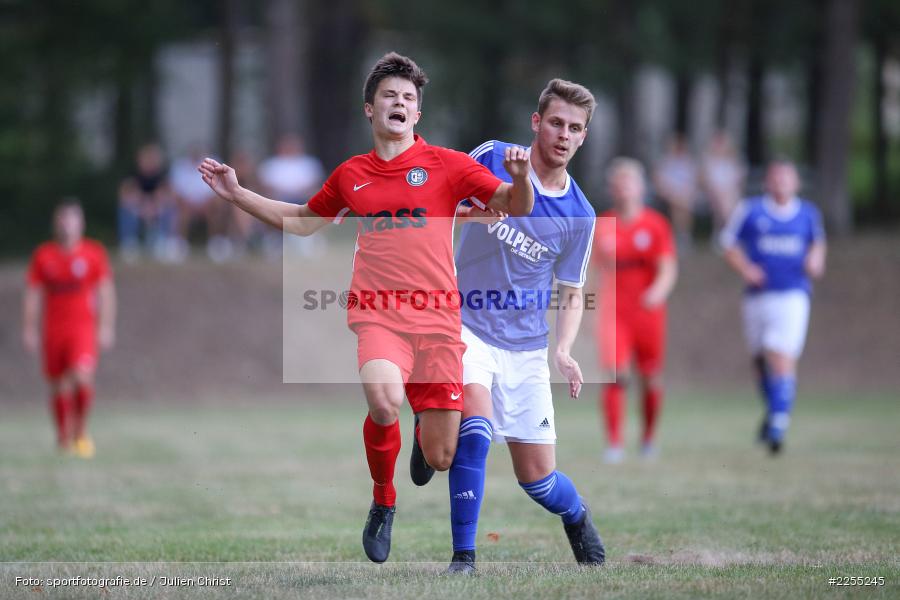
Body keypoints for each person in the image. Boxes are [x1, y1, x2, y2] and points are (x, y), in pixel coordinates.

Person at [198, 52, 534, 563]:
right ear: (369, 110)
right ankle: (384, 500)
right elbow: (302, 220)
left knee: (443, 457)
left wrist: (522, 178)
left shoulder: (448, 165)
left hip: (440, 320)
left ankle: (424, 431)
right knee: (382, 400)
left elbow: (515, 204)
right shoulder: (352, 175)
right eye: (389, 96)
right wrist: (237, 193)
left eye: (408, 98)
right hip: (378, 312)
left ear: (417, 114)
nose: (399, 103)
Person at [429, 79, 604, 574]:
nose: (563, 135)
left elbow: (571, 290)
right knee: (477, 432)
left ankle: (577, 516)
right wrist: (468, 215)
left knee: (538, 480)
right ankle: (464, 558)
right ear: (536, 122)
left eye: (575, 128)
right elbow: (441, 202)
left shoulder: (581, 214)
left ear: (583, 137)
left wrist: (564, 351)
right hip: (465, 323)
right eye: (555, 123)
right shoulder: (492, 156)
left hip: (526, 347)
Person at [719, 160, 826, 454]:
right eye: (776, 178)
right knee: (759, 361)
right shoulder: (751, 210)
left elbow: (817, 244)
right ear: (767, 182)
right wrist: (747, 269)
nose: (781, 183)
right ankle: (774, 412)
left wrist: (816, 259)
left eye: (786, 179)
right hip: (757, 296)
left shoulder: (807, 213)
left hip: (792, 294)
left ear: (796, 184)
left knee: (781, 355)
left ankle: (778, 424)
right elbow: (728, 244)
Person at [594, 158, 677, 464]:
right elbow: (588, 270)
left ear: (641, 187)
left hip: (647, 312)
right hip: (613, 312)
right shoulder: (602, 224)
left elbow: (667, 268)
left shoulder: (655, 225)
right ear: (612, 189)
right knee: (614, 374)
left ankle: (648, 438)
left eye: (629, 182)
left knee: (650, 377)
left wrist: (657, 293)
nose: (624, 189)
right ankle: (614, 443)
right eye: (618, 183)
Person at [23, 200, 116, 458]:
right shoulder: (44, 255)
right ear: (56, 223)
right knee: (57, 385)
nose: (67, 223)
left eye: (72, 218)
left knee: (82, 376)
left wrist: (106, 326)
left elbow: (106, 292)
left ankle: (81, 433)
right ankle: (63, 437)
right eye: (62, 218)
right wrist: (29, 329)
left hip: (82, 329)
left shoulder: (93, 253)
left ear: (81, 223)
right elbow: (33, 294)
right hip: (53, 330)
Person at [258, 134, 326, 257]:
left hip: (303, 198)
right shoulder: (271, 165)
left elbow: (316, 185)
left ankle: (311, 239)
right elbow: (265, 187)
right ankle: (275, 239)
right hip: (279, 198)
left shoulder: (309, 163)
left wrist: (301, 192)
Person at [117, 143, 177, 262]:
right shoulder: (133, 174)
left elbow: (168, 194)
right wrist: (141, 205)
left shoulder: (161, 175)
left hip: (156, 208)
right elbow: (124, 194)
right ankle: (129, 244)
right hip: (138, 208)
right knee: (124, 210)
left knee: (170, 209)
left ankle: (165, 242)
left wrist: (155, 205)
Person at [653, 134, 698, 251]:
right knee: (681, 205)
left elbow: (693, 181)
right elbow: (660, 182)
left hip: (683, 195)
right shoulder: (664, 162)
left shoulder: (687, 162)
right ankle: (684, 236)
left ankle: (680, 236)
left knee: (681, 205)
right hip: (668, 195)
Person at [700, 131, 745, 240]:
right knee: (723, 201)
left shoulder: (734, 161)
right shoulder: (707, 161)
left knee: (727, 202)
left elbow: (738, 181)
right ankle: (728, 234)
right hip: (712, 193)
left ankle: (722, 233)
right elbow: (703, 181)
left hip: (730, 194)